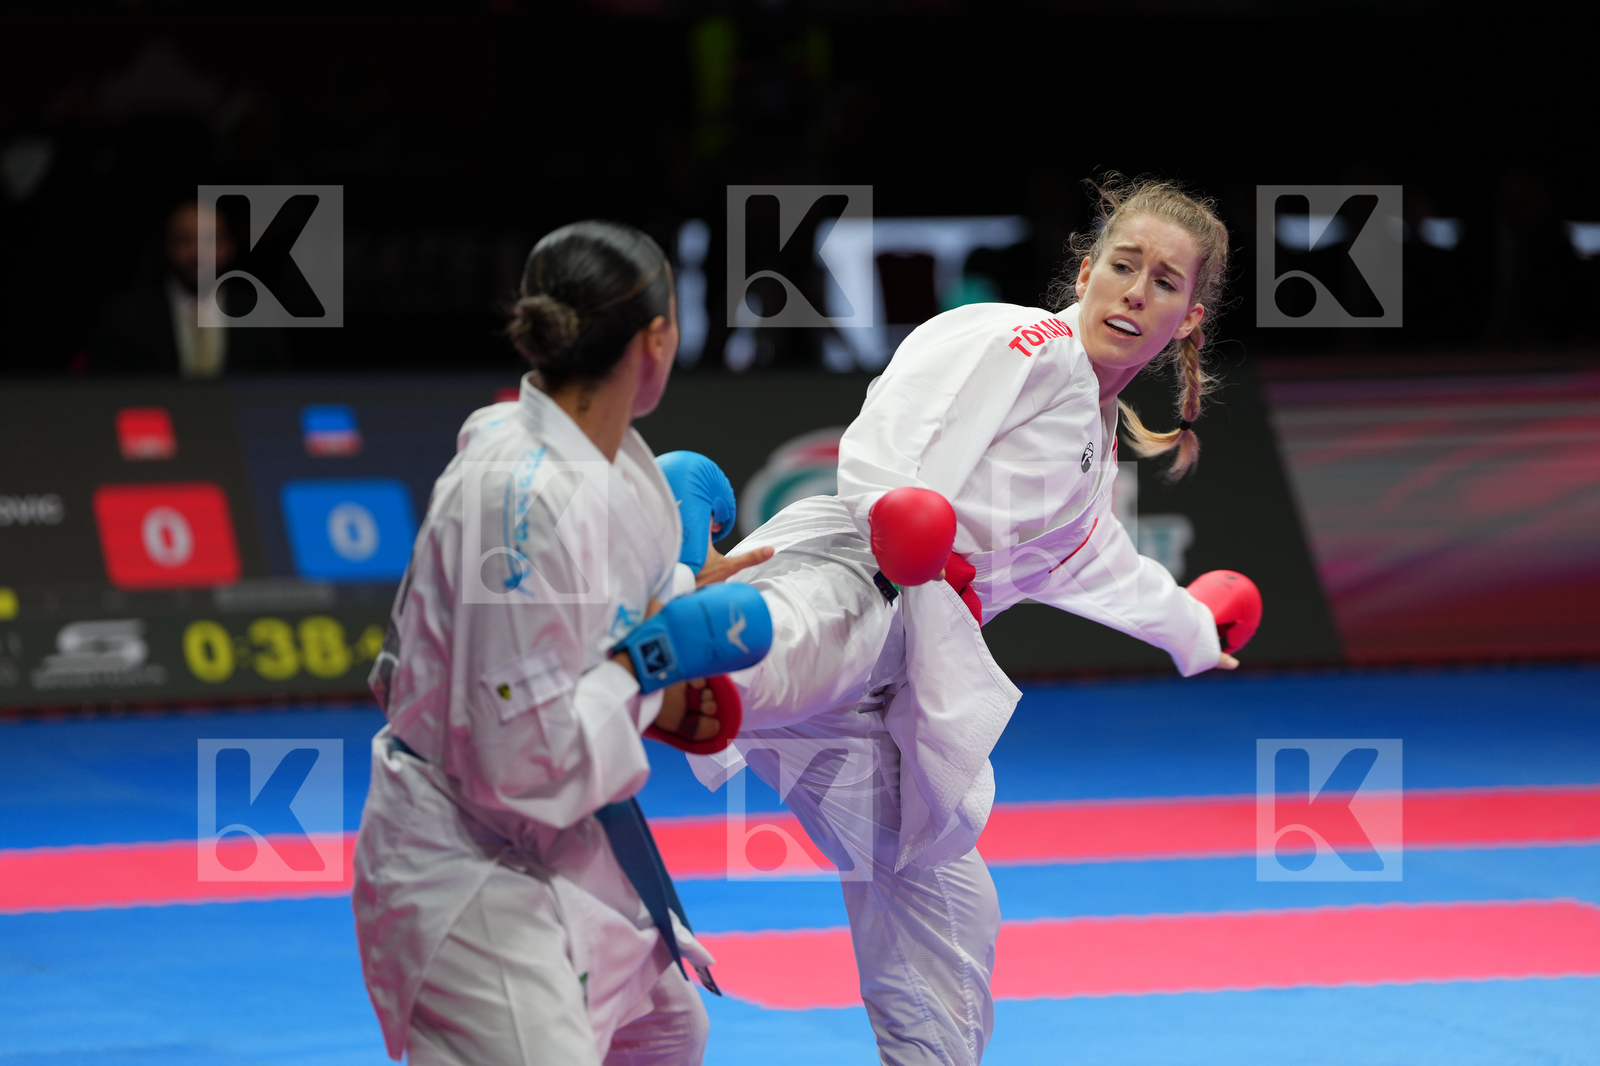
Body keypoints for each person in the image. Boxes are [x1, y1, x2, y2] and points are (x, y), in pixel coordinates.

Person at [690, 178, 1242, 1066]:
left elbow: (1105, 566)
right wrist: (899, 517)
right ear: (1087, 270)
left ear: (1188, 319)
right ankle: (673, 651)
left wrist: (1196, 631)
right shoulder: (1020, 339)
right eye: (1122, 265)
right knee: (809, 630)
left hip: (904, 681)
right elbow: (898, 425)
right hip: (860, 572)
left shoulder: (1094, 450)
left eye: (1165, 282)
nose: (1136, 291)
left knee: (941, 895)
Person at [352, 221, 772, 1066]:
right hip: (467, 854)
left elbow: (613, 615)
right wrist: (656, 660)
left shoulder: (598, 460)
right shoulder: (518, 498)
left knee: (664, 1033)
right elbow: (520, 762)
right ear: (659, 337)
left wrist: (688, 578)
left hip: (565, 831)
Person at [90, 200, 288, 377]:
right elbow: (106, 391)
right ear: (167, 246)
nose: (197, 254)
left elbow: (276, 389)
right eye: (185, 241)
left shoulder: (259, 313)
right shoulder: (126, 315)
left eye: (209, 240)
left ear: (228, 247)